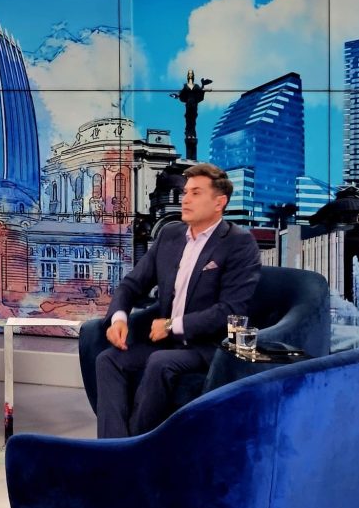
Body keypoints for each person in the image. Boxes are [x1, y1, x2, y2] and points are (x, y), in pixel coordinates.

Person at [94, 162, 260, 438]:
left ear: (219, 202)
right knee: (108, 360)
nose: (185, 199)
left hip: (208, 347)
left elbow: (230, 311)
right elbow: (132, 284)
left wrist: (172, 326)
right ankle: (112, 447)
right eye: (185, 192)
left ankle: (137, 447)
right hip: (166, 344)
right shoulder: (169, 236)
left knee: (160, 362)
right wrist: (119, 318)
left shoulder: (239, 243)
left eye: (196, 193)